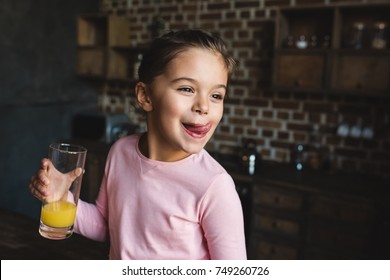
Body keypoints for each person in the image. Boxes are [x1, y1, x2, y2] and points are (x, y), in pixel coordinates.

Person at [29, 29, 247, 260]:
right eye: (187, 89)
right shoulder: (120, 151)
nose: (204, 106)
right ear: (145, 96)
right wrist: (62, 199)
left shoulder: (215, 186)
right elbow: (106, 226)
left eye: (216, 95)